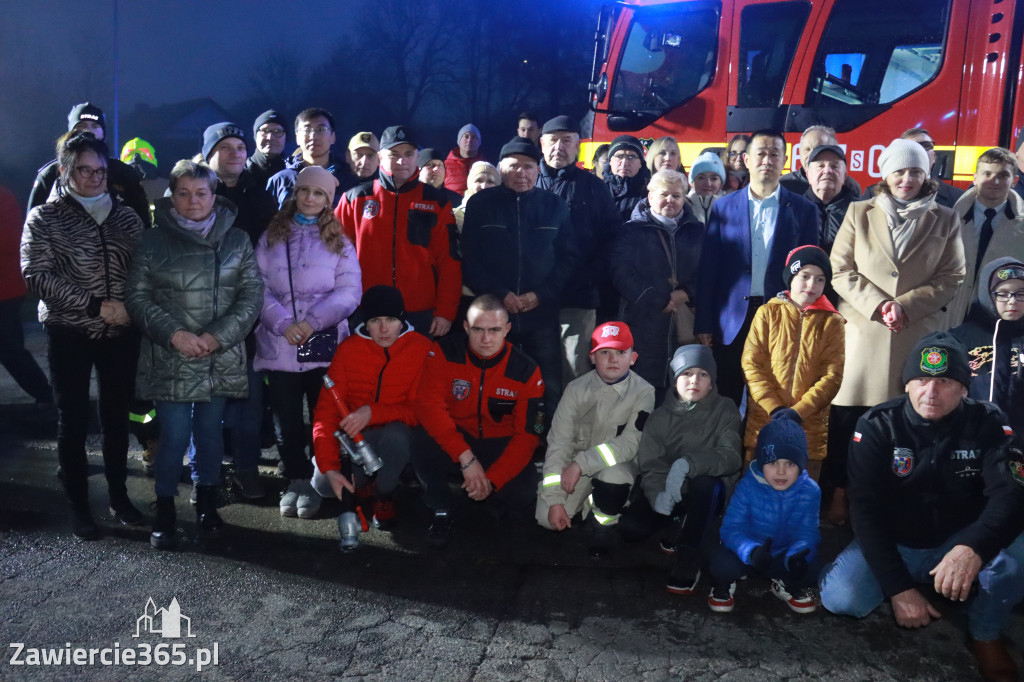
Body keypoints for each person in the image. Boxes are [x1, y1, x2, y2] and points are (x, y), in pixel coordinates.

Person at [819, 331, 1024, 682]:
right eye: (922, 380)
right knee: (842, 599)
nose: (931, 393)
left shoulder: (988, 421)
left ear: (964, 387)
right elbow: (865, 510)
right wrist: (899, 589)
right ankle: (916, 582)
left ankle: (985, 634)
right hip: (897, 539)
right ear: (906, 383)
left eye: (944, 381)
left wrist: (972, 547)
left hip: (958, 539)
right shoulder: (877, 425)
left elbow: (1011, 494)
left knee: (1016, 555)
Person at [126, 160, 263, 549]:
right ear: (172, 196)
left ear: (213, 196)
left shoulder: (236, 239)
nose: (193, 201)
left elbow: (251, 295)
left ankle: (206, 500)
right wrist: (176, 335)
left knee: (209, 432)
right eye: (183, 193)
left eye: (201, 193)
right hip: (172, 353)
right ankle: (165, 505)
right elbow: (137, 297)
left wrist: (219, 336)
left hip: (218, 353)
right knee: (173, 434)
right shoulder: (153, 240)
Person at [827, 138, 965, 526]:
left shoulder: (946, 218)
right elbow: (840, 270)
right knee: (849, 422)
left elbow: (952, 275)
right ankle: (841, 493)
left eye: (915, 171)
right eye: (899, 171)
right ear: (885, 174)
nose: (907, 179)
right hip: (862, 332)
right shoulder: (858, 211)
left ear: (927, 175)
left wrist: (905, 305)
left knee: (905, 424)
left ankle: (890, 497)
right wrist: (879, 304)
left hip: (914, 332)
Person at [21, 133, 144, 539]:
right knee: (72, 419)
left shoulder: (127, 216)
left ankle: (119, 496)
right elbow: (36, 275)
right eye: (84, 170)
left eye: (101, 171)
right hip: (69, 331)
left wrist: (129, 306)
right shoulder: (45, 217)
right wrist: (94, 305)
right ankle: (78, 505)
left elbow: (145, 272)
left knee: (116, 417)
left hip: (121, 333)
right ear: (65, 171)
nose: (94, 178)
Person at [253, 166, 362, 519]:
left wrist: (313, 322)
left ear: (328, 201)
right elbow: (257, 286)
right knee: (285, 418)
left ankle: (321, 476)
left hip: (324, 346)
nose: (310, 199)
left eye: (319, 194)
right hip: (279, 343)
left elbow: (349, 292)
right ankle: (296, 478)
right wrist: (282, 322)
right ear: (295, 193)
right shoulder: (271, 236)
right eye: (305, 191)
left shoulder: (340, 241)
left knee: (323, 416)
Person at [694, 129, 820, 406]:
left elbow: (810, 272)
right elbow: (709, 270)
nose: (767, 160)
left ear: (784, 161)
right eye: (760, 153)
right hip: (731, 320)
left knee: (771, 397)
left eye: (775, 154)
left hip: (780, 316)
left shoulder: (803, 210)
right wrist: (704, 320)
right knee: (726, 394)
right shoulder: (724, 207)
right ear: (746, 160)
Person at [412, 295, 545, 549]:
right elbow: (429, 408)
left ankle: (489, 493)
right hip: (458, 440)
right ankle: (440, 508)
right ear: (465, 327)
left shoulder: (526, 370)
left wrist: (492, 480)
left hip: (499, 442)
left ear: (507, 329)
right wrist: (466, 458)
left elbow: (528, 436)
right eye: (478, 329)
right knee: (421, 437)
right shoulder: (443, 352)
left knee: (521, 495)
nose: (485, 339)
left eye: (494, 330)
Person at [462, 136, 577, 418]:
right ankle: (500, 439)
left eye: (528, 167)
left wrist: (540, 295)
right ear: (501, 168)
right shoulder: (480, 204)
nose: (521, 173)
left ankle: (544, 443)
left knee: (547, 384)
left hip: (541, 312)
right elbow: (469, 259)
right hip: (495, 316)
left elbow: (569, 259)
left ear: (538, 170)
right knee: (497, 382)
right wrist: (501, 295)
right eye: (513, 166)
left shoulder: (555, 206)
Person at [311, 286, 432, 550]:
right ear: (366, 322)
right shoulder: (348, 350)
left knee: (397, 435)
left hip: (397, 438)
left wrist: (373, 412)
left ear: (402, 320)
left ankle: (383, 495)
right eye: (376, 321)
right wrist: (331, 468)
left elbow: (422, 410)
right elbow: (325, 413)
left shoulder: (422, 349)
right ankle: (362, 485)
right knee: (322, 483)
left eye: (391, 320)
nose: (384, 329)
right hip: (356, 441)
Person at [619, 345, 743, 595]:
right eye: (687, 373)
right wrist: (658, 496)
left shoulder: (725, 409)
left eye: (703, 374)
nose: (695, 380)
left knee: (704, 483)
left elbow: (731, 456)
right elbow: (651, 466)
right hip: (671, 489)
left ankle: (689, 553)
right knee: (631, 528)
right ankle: (676, 519)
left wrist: (689, 464)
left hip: (708, 492)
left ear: (711, 382)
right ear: (675, 379)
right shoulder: (659, 418)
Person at [201, 122, 276, 500]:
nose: (234, 153)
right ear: (209, 154)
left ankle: (247, 470)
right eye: (224, 147)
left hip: (248, 316)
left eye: (239, 147)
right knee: (206, 406)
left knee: (248, 403)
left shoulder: (260, 196)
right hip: (201, 316)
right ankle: (206, 477)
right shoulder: (193, 193)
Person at [535, 322, 655, 557]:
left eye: (621, 352)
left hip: (614, 465)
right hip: (574, 466)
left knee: (615, 476)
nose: (613, 359)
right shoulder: (575, 389)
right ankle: (586, 501)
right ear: (592, 358)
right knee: (547, 519)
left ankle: (604, 523)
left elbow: (631, 443)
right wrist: (555, 499)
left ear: (633, 357)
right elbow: (559, 442)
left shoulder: (644, 392)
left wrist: (581, 463)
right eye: (604, 352)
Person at [335, 125, 461, 337]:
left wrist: (446, 311)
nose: (402, 161)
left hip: (420, 311)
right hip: (365, 308)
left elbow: (450, 261)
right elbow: (335, 258)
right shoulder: (355, 199)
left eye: (409, 154)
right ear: (380, 157)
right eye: (394, 154)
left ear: (417, 157)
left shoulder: (436, 201)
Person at [741, 246, 845, 481]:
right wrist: (774, 408)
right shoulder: (767, 313)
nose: (811, 285)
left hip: (808, 427)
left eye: (820, 279)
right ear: (791, 277)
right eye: (804, 277)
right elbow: (752, 363)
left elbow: (832, 375)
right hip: (765, 421)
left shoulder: (833, 322)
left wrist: (799, 412)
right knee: (754, 495)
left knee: (800, 502)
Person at [535, 115, 622, 383]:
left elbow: (611, 240)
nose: (558, 147)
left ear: (578, 146)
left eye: (566, 141)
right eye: (552, 140)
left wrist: (588, 277)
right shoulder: (526, 182)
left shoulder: (595, 188)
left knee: (575, 372)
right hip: (531, 300)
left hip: (577, 298)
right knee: (534, 371)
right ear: (541, 144)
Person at [707, 416, 821, 614]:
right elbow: (731, 528)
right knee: (719, 564)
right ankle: (725, 584)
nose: (781, 472)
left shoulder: (810, 491)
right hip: (750, 555)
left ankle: (784, 582)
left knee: (815, 568)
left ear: (801, 465)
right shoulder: (748, 486)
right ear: (761, 463)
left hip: (782, 555)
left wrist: (796, 555)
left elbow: (808, 531)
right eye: (773, 463)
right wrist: (751, 551)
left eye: (790, 464)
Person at [611, 169, 704, 403]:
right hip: (643, 322)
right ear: (650, 196)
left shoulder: (697, 232)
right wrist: (660, 299)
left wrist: (686, 293)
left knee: (680, 391)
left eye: (677, 195)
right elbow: (621, 273)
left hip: (683, 325)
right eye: (664, 194)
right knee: (641, 392)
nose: (670, 200)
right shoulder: (631, 231)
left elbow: (708, 272)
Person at [28, 103, 150, 228]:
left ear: (103, 133)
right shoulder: (50, 175)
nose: (88, 130)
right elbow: (33, 226)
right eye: (81, 125)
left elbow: (143, 226)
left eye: (95, 126)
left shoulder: (123, 173)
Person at [946, 147, 1024, 327]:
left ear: (1015, 181)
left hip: (999, 322)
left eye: (1003, 175)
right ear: (974, 178)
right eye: (987, 173)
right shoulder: (947, 218)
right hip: (949, 316)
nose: (994, 181)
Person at [952, 258, 1024, 433]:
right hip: (971, 436)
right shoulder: (959, 338)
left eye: (1021, 294)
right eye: (1002, 293)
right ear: (987, 294)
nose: (1012, 301)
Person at [0, 182, 51, 404]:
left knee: (9, 349)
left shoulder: (4, 198)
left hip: (5, 290)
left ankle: (46, 396)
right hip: (7, 286)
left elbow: (11, 241)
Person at [267, 108, 358, 209]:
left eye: (321, 130)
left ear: (332, 137)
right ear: (297, 137)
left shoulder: (349, 180)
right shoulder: (280, 180)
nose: (313, 136)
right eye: (306, 130)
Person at [802, 144, 859, 254]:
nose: (827, 171)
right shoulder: (793, 208)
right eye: (820, 166)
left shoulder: (859, 211)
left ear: (844, 176)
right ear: (808, 175)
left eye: (834, 166)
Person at [779, 125, 861, 198]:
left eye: (818, 149)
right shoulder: (784, 184)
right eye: (807, 149)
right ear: (800, 153)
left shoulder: (850, 186)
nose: (811, 154)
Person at [900, 128, 965, 209]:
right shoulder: (882, 196)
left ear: (934, 157)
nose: (920, 151)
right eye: (911, 147)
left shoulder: (959, 198)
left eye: (926, 146)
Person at [603, 135, 651, 222]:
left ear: (640, 163)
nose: (624, 163)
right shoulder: (596, 188)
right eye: (619, 156)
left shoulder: (650, 192)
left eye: (631, 157)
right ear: (610, 161)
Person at [246, 109, 288, 190]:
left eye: (277, 131)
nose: (270, 137)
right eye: (265, 131)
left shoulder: (295, 175)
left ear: (286, 137)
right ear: (255, 136)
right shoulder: (238, 174)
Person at [444, 124, 487, 195]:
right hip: (451, 205)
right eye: (466, 136)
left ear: (479, 142)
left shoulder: (486, 166)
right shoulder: (444, 166)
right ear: (459, 141)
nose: (469, 140)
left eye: (473, 137)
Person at [687, 151, 727, 226]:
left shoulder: (729, 206)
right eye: (701, 178)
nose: (708, 183)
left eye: (714, 178)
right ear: (692, 182)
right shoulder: (684, 206)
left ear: (722, 183)